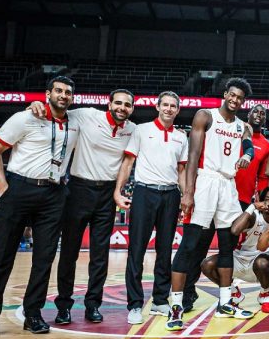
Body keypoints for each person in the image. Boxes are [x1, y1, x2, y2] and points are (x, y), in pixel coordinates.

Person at [0, 76, 81, 339]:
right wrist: (4, 189)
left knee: (44, 259)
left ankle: (33, 314)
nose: (63, 96)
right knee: (1, 259)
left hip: (54, 193)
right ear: (48, 93)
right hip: (19, 188)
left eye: (68, 93)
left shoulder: (76, 122)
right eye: (59, 91)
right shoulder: (25, 118)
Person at [29, 88, 137, 324]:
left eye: (127, 105)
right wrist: (35, 105)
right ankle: (64, 306)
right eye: (118, 103)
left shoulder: (133, 129)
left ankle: (92, 305)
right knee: (69, 252)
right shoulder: (87, 115)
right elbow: (58, 109)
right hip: (78, 189)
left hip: (108, 194)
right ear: (109, 103)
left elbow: (130, 161)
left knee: (100, 255)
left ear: (132, 108)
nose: (122, 107)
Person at [168, 78, 254, 326]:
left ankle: (225, 302)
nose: (235, 100)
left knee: (227, 245)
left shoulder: (241, 126)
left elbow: (248, 146)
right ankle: (176, 305)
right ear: (225, 94)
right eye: (233, 95)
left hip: (228, 185)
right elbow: (193, 155)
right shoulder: (205, 116)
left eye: (240, 98)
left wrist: (247, 155)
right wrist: (188, 191)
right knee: (190, 244)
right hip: (206, 180)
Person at [114, 91, 188, 325]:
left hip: (170, 194)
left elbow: (182, 171)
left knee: (165, 250)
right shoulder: (141, 130)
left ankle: (159, 300)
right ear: (157, 107)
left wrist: (186, 197)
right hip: (144, 192)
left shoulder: (181, 137)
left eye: (173, 106)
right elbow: (128, 163)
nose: (168, 109)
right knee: (137, 249)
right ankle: (135, 304)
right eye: (164, 104)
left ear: (177, 110)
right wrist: (118, 190)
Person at [166, 188, 269, 330]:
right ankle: (234, 292)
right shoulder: (254, 216)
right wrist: (252, 207)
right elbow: (235, 230)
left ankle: (265, 292)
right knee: (207, 264)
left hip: (259, 266)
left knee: (263, 261)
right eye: (268, 199)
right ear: (261, 202)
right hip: (238, 261)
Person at [234, 104, 269, 210]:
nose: (259, 115)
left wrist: (263, 199)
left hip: (245, 198)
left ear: (264, 120)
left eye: (262, 113)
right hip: (224, 191)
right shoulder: (234, 132)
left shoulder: (267, 145)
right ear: (248, 114)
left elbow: (263, 177)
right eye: (255, 111)